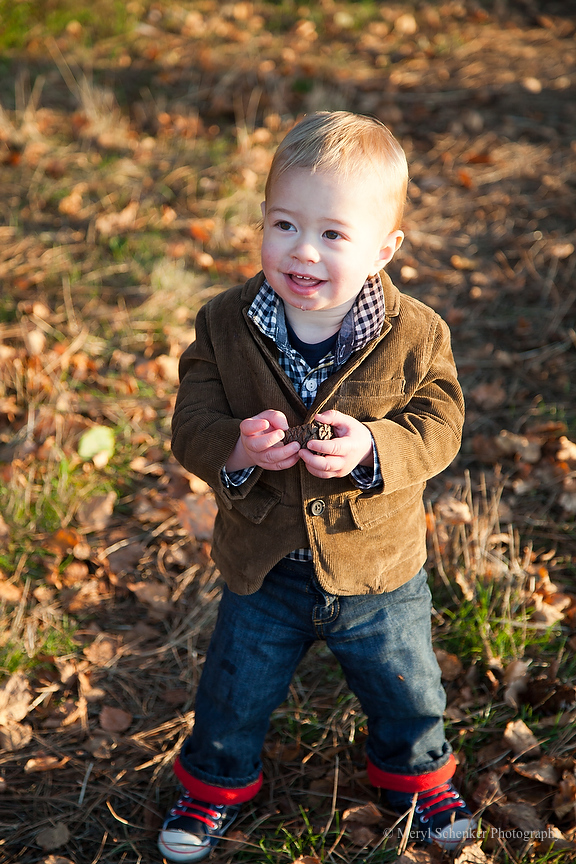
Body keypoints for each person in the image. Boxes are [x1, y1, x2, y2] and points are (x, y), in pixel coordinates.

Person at [158, 111, 474, 863]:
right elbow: (192, 415)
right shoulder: (226, 324)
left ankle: (414, 777)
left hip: (377, 566)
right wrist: (234, 444)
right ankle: (216, 782)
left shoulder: (414, 333)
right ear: (262, 223)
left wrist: (377, 446)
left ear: (382, 248)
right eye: (283, 225)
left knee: (407, 685)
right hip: (264, 564)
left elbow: (443, 419)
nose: (302, 252)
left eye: (333, 234)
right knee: (235, 690)